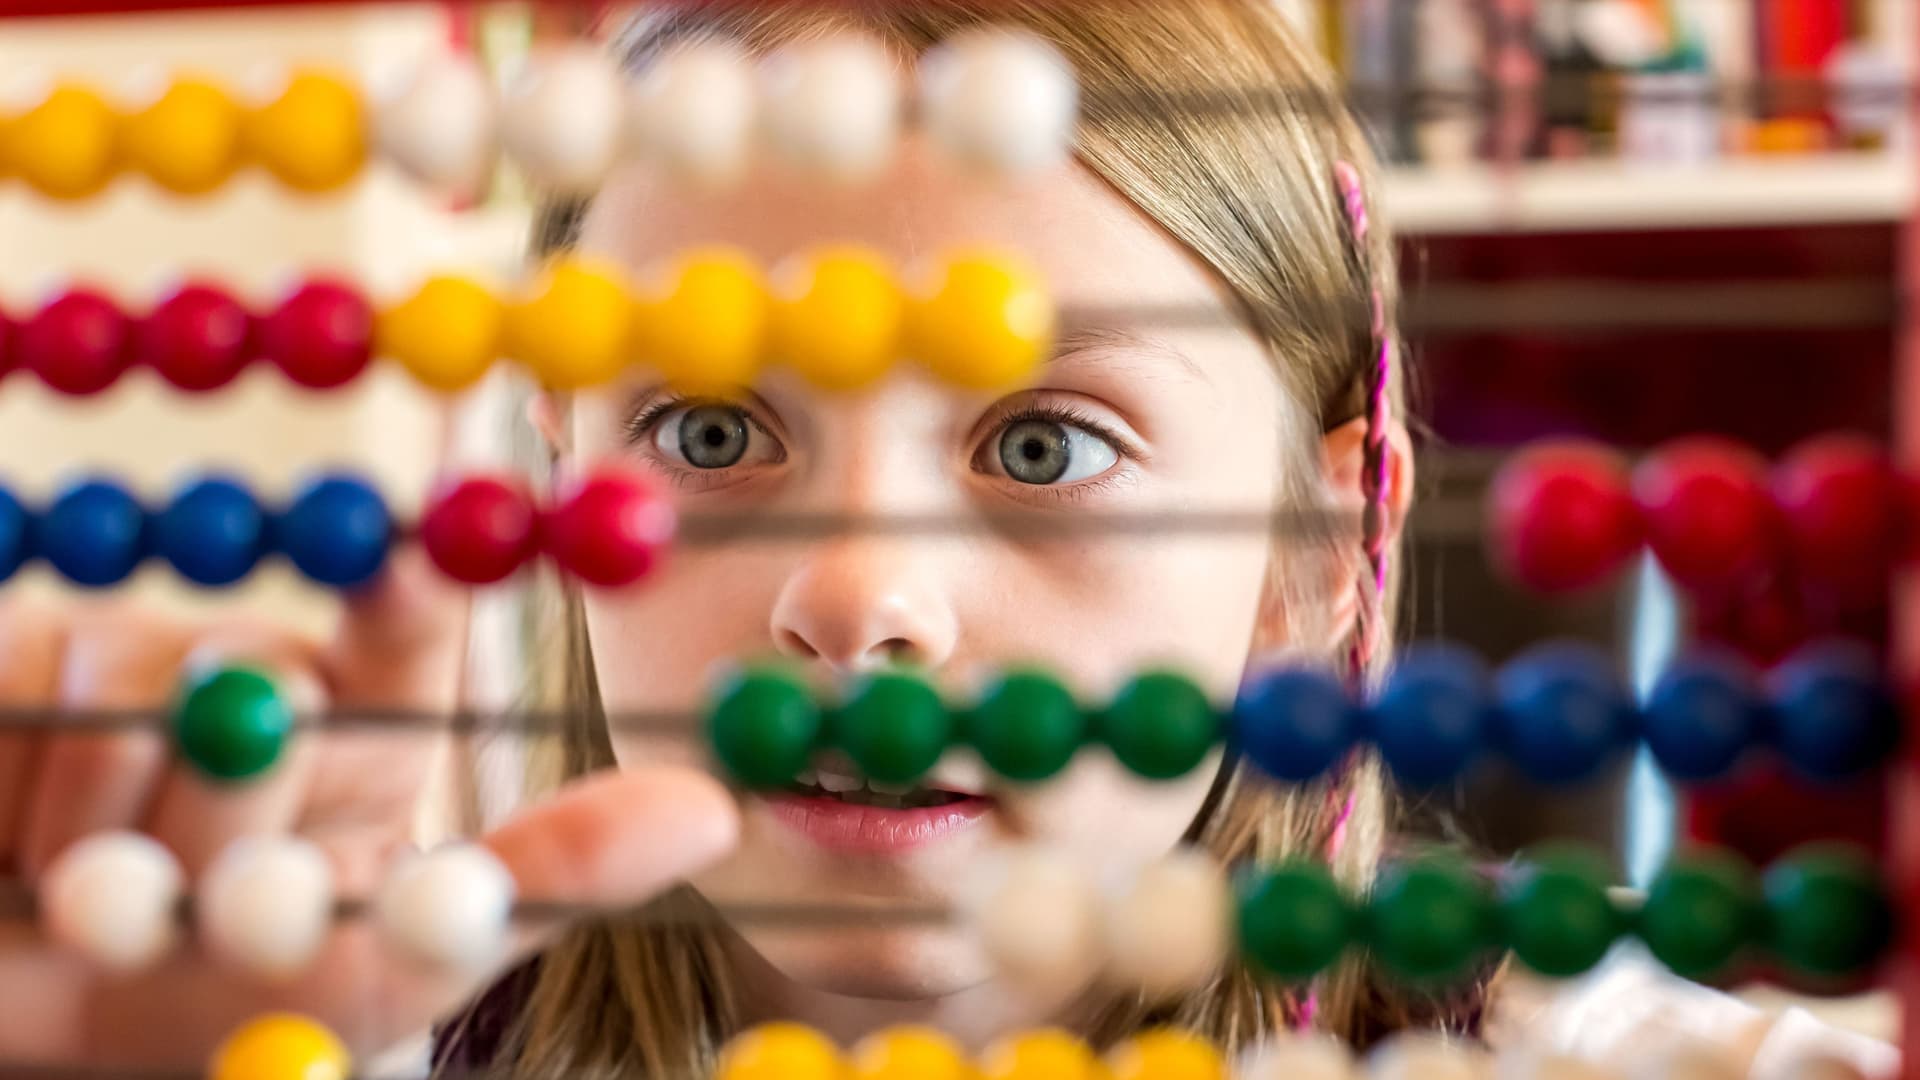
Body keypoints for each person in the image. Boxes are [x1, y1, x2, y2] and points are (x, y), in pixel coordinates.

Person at [0, 2, 1894, 1078]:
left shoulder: (1580, 1054)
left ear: (1316, 551)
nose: (854, 596)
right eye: (711, 432)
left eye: (1047, 444)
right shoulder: (319, 1027)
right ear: (562, 483)